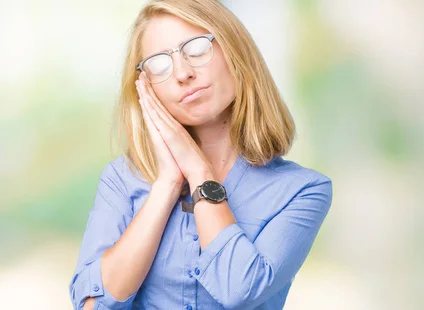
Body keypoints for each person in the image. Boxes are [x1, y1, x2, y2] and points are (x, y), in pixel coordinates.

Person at [68, 1, 333, 309]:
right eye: (159, 64)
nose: (182, 73)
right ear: (145, 87)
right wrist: (166, 185)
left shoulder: (302, 191)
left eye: (196, 49)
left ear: (234, 50)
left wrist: (198, 170)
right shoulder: (121, 181)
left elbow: (237, 290)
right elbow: (93, 306)